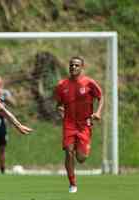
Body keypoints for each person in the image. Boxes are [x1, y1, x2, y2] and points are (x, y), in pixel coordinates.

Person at [54, 56, 103, 193]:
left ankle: (82, 146)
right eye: (71, 65)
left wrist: (98, 112)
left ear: (82, 67)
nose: (73, 67)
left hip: (84, 125)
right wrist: (59, 110)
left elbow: (101, 97)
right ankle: (72, 183)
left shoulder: (89, 83)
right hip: (69, 124)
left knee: (81, 158)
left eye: (76, 65)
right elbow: (58, 104)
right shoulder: (61, 85)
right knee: (68, 152)